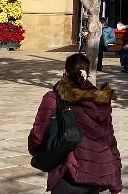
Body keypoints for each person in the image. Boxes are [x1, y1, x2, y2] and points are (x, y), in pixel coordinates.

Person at [29, 52, 122, 194]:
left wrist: (41, 153)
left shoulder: (53, 98)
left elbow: (38, 135)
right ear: (87, 73)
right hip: (96, 174)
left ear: (65, 72)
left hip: (68, 172)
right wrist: (116, 180)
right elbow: (109, 141)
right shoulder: (101, 101)